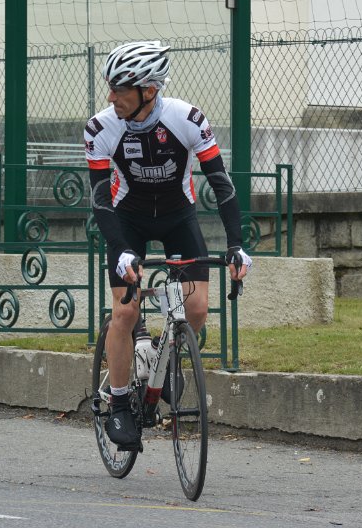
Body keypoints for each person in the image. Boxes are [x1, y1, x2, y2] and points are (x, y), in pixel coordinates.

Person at [85, 40, 252, 450]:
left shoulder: (187, 119)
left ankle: (165, 353)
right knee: (125, 311)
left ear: (149, 90)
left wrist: (236, 244)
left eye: (119, 89)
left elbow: (221, 184)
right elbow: (100, 199)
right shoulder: (101, 127)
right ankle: (119, 403)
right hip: (127, 220)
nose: (111, 97)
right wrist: (121, 248)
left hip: (179, 217)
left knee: (196, 309)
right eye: (110, 88)